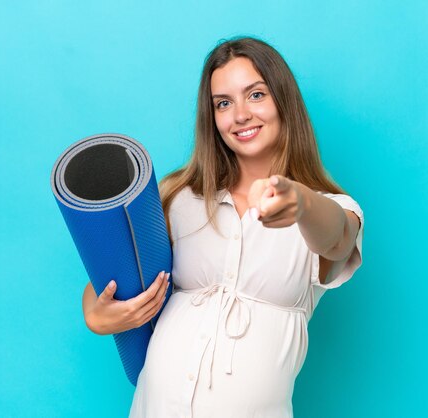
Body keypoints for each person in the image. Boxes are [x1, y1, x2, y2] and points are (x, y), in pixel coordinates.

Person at [82, 37, 364, 418]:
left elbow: (339, 241)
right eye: (224, 103)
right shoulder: (180, 196)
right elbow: (112, 274)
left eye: (257, 94)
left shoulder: (328, 210)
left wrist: (301, 203)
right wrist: (96, 315)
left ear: (284, 101)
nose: (240, 115)